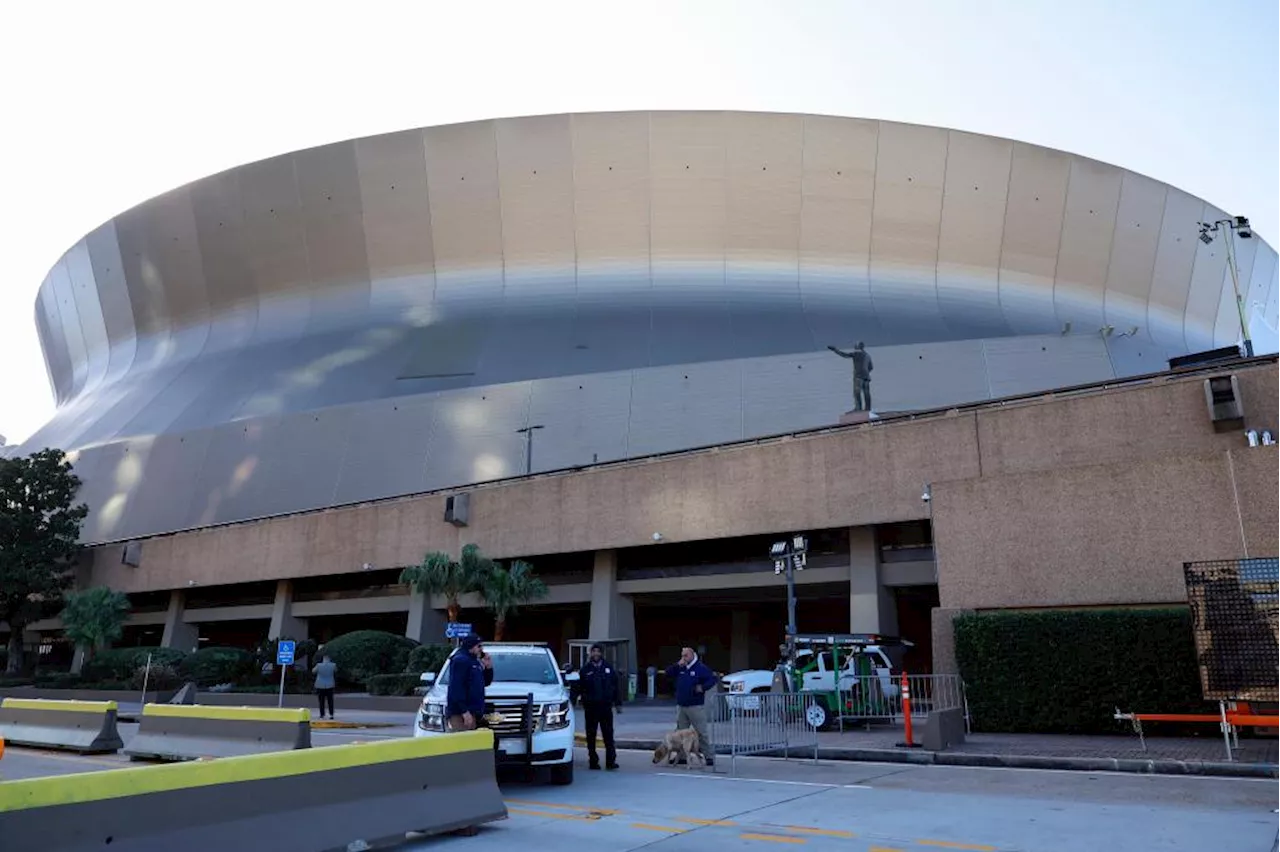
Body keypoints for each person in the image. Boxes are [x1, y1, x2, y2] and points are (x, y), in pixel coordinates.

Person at [665, 646, 718, 766]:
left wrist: (702, 687)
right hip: (681, 705)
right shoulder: (681, 667)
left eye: (686, 656)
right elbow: (668, 672)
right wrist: (677, 665)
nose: (684, 658)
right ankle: (682, 756)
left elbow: (712, 679)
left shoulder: (700, 668)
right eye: (682, 655)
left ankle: (708, 756)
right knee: (680, 732)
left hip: (695, 705)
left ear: (692, 655)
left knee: (701, 731)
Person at [578, 643, 622, 771]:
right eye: (594, 651)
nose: (596, 654)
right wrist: (578, 700)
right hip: (591, 708)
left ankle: (610, 761)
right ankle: (593, 761)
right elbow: (579, 688)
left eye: (598, 651)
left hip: (606, 708)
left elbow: (615, 687)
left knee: (608, 735)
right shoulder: (585, 670)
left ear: (601, 653)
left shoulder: (608, 668)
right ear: (590, 653)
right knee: (591, 736)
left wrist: (618, 703)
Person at [446, 634, 493, 731]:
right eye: (479, 646)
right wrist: (464, 711)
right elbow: (456, 687)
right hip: (461, 713)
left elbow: (486, 682)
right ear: (470, 646)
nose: (481, 649)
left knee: (471, 742)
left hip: (473, 711)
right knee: (463, 741)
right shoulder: (460, 660)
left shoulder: (474, 661)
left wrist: (488, 667)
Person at [827, 342, 874, 412]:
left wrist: (835, 350)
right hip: (866, 377)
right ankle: (868, 408)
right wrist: (866, 372)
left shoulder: (855, 354)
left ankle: (858, 408)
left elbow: (844, 355)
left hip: (858, 377)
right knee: (866, 393)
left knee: (857, 393)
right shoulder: (867, 355)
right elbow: (871, 367)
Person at [312, 654, 337, 720]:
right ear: (329, 659)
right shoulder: (333, 665)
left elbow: (313, 671)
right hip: (330, 685)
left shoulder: (319, 665)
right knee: (330, 701)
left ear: (323, 659)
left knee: (321, 701)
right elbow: (335, 671)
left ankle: (322, 715)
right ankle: (331, 715)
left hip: (320, 685)